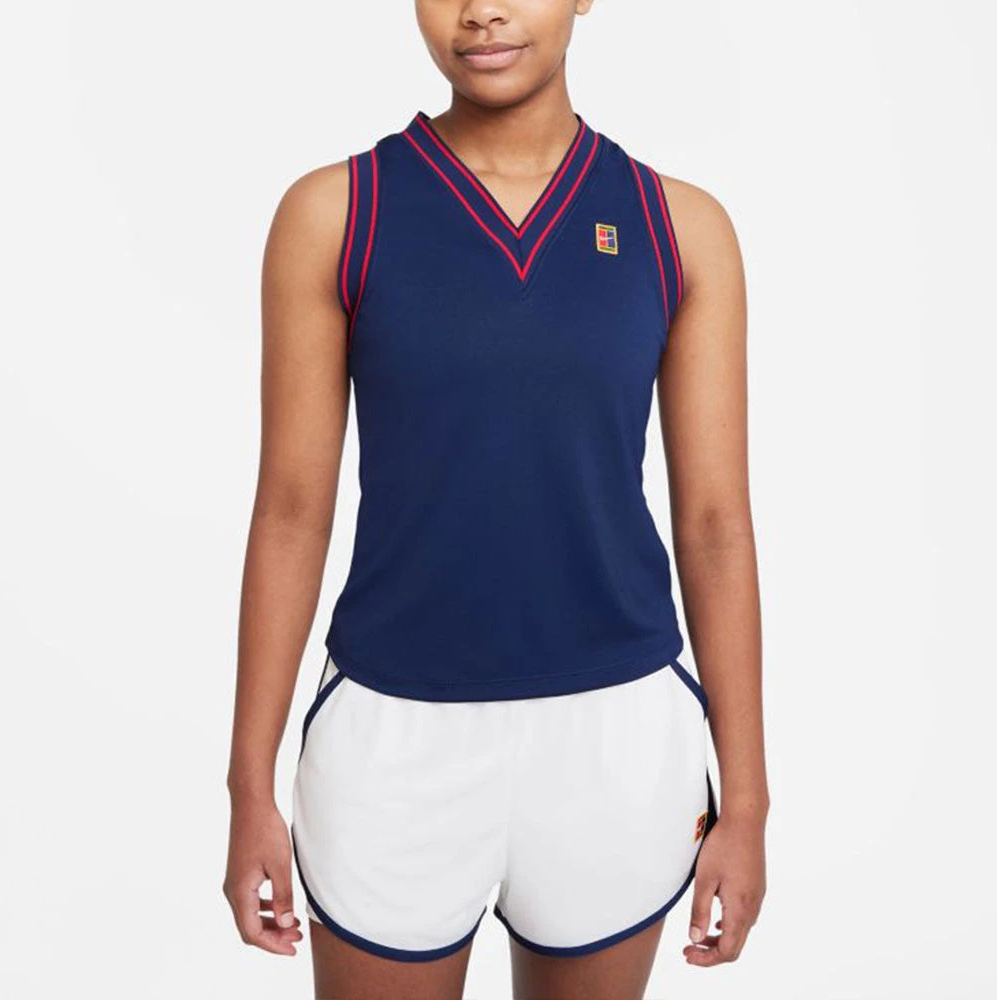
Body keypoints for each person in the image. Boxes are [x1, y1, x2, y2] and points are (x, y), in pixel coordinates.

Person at [223, 1, 768, 997]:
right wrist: (247, 784)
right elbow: (292, 509)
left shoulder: (679, 226)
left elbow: (715, 527)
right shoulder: (338, 212)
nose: (481, 11)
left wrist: (750, 802)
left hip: (615, 734)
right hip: (393, 736)